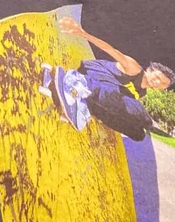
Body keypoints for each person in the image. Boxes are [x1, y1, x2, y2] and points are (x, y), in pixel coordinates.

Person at [40, 16, 175, 140]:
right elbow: (111, 50)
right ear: (150, 70)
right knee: (141, 113)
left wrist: (104, 115)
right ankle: (78, 82)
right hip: (92, 74)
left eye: (162, 84)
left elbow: (115, 105)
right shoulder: (134, 69)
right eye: (158, 77)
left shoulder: (141, 93)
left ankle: (85, 105)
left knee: (139, 134)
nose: (157, 82)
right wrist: (83, 33)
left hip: (102, 92)